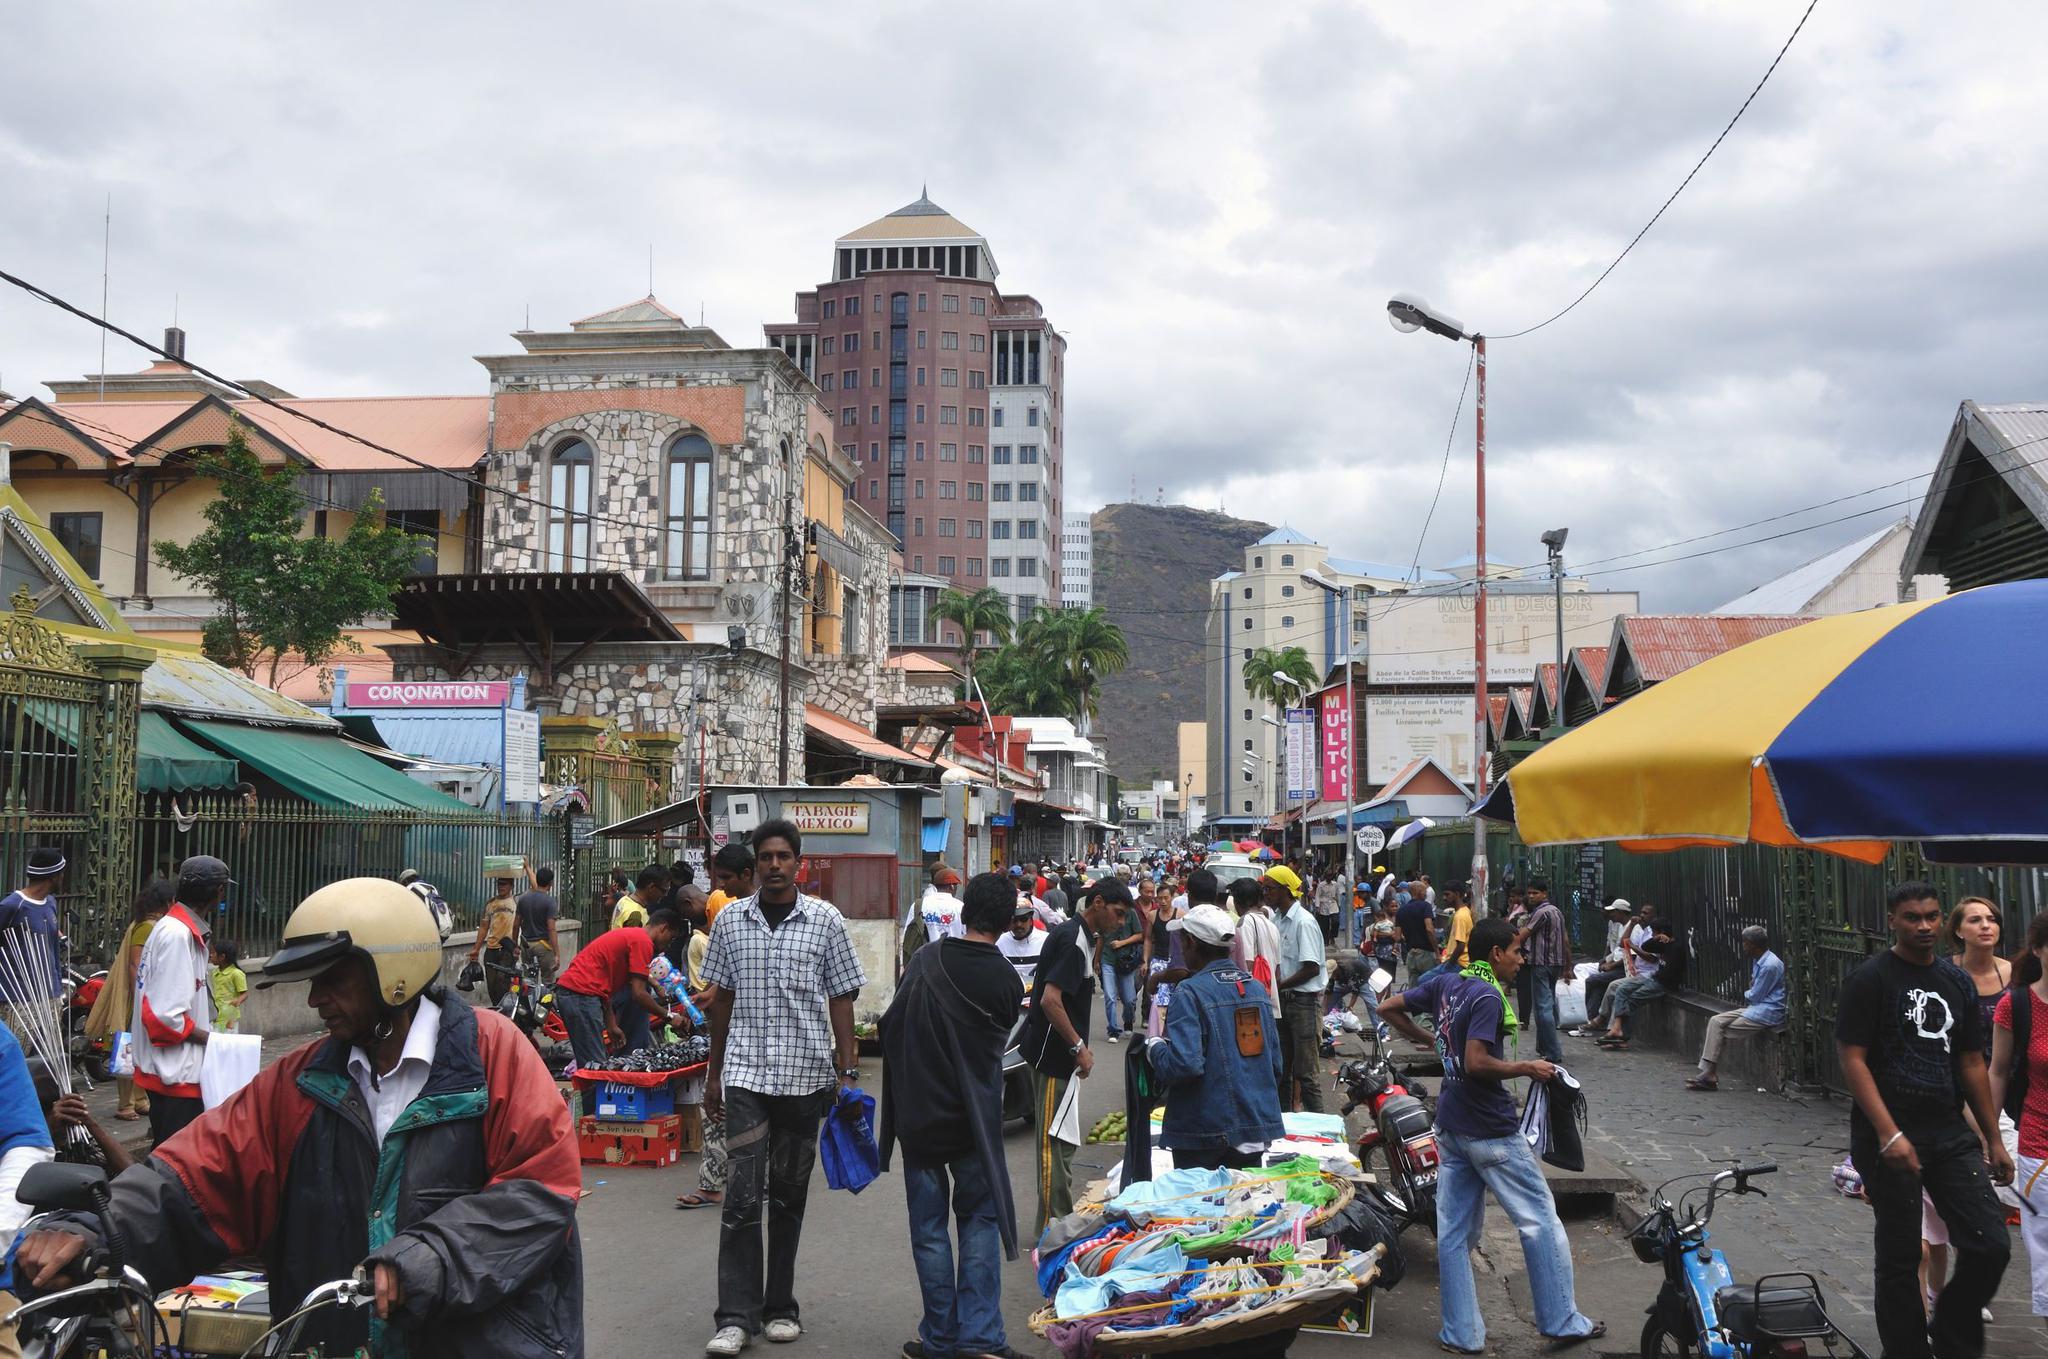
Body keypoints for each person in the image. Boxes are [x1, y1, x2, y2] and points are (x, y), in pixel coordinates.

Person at [11, 877, 584, 1358]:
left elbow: (540, 1192)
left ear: (394, 973)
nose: (315, 999)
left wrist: (430, 1255)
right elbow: (195, 1177)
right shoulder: (299, 1081)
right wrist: (97, 1230)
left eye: (332, 979)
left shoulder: (491, 1053)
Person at [1377, 917, 1605, 1353]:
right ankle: (1561, 1321)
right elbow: (1477, 1062)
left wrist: (1431, 1039)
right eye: (1517, 951)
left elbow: (1387, 1008)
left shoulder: (1449, 983)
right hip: (1490, 1130)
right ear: (1497, 953)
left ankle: (1461, 1334)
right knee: (1539, 1221)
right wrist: (1527, 1067)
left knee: (1454, 1234)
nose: (1521, 960)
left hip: (1451, 1126)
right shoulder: (1486, 995)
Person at [699, 819, 866, 1358]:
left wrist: (846, 1071)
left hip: (805, 1077)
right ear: (756, 864)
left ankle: (780, 1309)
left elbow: (842, 998)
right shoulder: (730, 921)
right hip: (746, 1075)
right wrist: (713, 1074)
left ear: (799, 863)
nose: (774, 865)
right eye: (766, 857)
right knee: (741, 1196)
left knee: (789, 1197)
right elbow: (721, 1001)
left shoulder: (825, 921)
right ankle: (734, 1318)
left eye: (783, 856)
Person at [1838, 881, 2012, 1359]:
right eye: (1912, 917)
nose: (1924, 926)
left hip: (1948, 1131)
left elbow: (1971, 1062)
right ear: (1892, 920)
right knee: (1900, 1257)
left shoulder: (1956, 981)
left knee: (1989, 1244)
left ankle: (1951, 1331)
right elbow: (1853, 1059)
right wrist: (1887, 1133)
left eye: (1932, 916)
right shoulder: (1869, 979)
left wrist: (1993, 1138)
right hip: (1887, 1136)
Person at [879, 871, 1026, 1359]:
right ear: (1004, 921)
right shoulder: (1006, 980)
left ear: (965, 912)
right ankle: (980, 1338)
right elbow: (994, 1047)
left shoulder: (925, 961)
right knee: (979, 1221)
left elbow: (891, 1026)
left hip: (920, 1119)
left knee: (929, 1232)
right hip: (975, 1124)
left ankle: (940, 1339)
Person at [1018, 879, 1127, 1234]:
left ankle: (1058, 1221)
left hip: (1059, 1057)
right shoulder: (1072, 941)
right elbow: (1051, 1001)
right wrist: (1079, 1047)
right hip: (1053, 1057)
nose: (1120, 922)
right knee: (1052, 1146)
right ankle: (1053, 1228)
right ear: (1098, 903)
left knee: (1061, 1143)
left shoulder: (1081, 936)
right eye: (1118, 914)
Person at [1146, 904, 1285, 1170]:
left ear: (1190, 943)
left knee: (1202, 1197)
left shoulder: (1189, 992)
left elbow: (1185, 1064)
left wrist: (1155, 1049)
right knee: (1244, 1196)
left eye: (1182, 942)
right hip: (1252, 1127)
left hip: (1203, 1131)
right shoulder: (1256, 990)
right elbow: (1274, 1064)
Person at [1925, 896, 2010, 1317]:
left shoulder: (2014, 974)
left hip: (2010, 1093)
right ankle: (1946, 1292)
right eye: (1975, 920)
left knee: (1996, 1200)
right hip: (1957, 1092)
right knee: (1959, 1199)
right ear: (1957, 930)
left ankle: (1970, 1284)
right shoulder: (1946, 976)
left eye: (1991, 918)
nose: (1986, 926)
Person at [675, 847, 757, 1216]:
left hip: (767, 1038)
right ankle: (711, 1185)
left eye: (724, 879)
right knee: (716, 1107)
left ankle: (760, 1184)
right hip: (733, 1033)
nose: (719, 887)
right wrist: (710, 995)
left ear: (746, 874)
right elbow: (725, 983)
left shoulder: (731, 909)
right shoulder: (728, 918)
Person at [134, 856, 226, 1148]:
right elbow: (165, 1018)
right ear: (219, 892)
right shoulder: (176, 935)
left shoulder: (176, 929)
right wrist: (218, 1042)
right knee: (176, 1159)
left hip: (174, 1070)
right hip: (175, 1073)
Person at [1992, 911, 2048, 1338]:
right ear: (2039, 949)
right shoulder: (2018, 1005)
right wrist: (1991, 1138)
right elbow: (1997, 1071)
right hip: (2040, 1149)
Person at [84, 880, 170, 1123]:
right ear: (165, 902)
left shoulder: (149, 925)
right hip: (137, 997)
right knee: (129, 1050)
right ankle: (125, 1105)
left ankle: (140, 1100)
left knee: (140, 1050)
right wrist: (139, 995)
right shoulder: (146, 927)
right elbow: (135, 964)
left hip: (143, 995)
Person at [553, 910, 682, 1069]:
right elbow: (639, 994)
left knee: (592, 1063)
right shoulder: (643, 942)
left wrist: (611, 1025)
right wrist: (668, 1016)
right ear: (664, 928)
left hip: (580, 993)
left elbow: (607, 986)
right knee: (594, 1066)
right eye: (671, 938)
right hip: (580, 994)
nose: (669, 945)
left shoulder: (634, 937)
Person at [1685, 926, 1786, 1092]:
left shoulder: (1770, 965)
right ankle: (1708, 1072)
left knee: (1721, 1031)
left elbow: (1755, 995)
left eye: (1745, 943)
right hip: (1756, 1008)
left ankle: (1710, 1073)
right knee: (1715, 1021)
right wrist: (1751, 989)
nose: (1743, 946)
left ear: (1753, 944)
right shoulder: (1759, 960)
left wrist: (1749, 991)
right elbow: (1754, 990)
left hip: (1768, 1011)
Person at [1267, 865, 1327, 1114]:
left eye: (1269, 889)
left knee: (1306, 1073)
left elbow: (1311, 968)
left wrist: (1279, 984)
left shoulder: (1304, 922)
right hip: (1283, 1002)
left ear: (1285, 890)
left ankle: (1320, 1126)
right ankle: (1284, 1122)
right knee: (1282, 1070)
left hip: (1303, 1003)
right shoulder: (1276, 920)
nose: (1266, 894)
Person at [1594, 914, 1686, 1053]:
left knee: (1631, 1001)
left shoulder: (1676, 948)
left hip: (1663, 984)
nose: (1652, 935)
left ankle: (1621, 1036)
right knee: (1622, 990)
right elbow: (1645, 946)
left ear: (1661, 931)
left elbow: (1670, 974)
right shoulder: (1663, 943)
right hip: (1655, 979)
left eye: (1654, 933)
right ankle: (1617, 1030)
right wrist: (1656, 938)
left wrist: (1654, 978)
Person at [0, 848, 66, 1041]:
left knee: (48, 1055)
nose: (63, 877)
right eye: (61, 873)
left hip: (50, 994)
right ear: (53, 877)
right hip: (19, 998)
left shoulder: (50, 902)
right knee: (17, 1053)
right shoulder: (13, 906)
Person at [1516, 877, 1571, 1064]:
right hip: (1556, 963)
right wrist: (1567, 965)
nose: (1531, 896)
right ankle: (1543, 1047)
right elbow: (1565, 940)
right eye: (1529, 893)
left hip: (1541, 963)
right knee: (1547, 1005)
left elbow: (1524, 934)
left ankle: (1553, 1052)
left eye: (1535, 893)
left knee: (1543, 1007)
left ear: (1544, 893)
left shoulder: (1541, 913)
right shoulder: (1557, 912)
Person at [1099, 886, 1146, 1043]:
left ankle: (1128, 1021)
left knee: (1130, 999)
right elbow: (1100, 938)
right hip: (1107, 959)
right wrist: (1096, 960)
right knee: (1110, 997)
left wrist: (1121, 943)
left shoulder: (1131, 913)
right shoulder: (1106, 912)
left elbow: (1139, 935)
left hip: (1126, 961)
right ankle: (1113, 1030)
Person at [1579, 900, 1635, 1026]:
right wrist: (1606, 960)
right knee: (1598, 986)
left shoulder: (1633, 929)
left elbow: (1631, 955)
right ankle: (1590, 1019)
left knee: (1591, 980)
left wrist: (1611, 965)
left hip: (1625, 969)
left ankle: (1586, 1016)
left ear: (1620, 912)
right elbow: (1617, 950)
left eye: (1613, 912)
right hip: (1616, 964)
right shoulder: (1621, 926)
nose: (1611, 915)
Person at [469, 876, 521, 1006]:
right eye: (499, 884)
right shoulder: (491, 904)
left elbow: (536, 888)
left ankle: (505, 1009)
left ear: (511, 886)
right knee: (492, 984)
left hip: (507, 950)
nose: (501, 887)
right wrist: (476, 949)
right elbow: (484, 927)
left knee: (502, 981)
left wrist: (527, 868)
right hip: (491, 949)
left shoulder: (516, 901)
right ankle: (497, 1008)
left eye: (504, 884)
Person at [1229, 874, 1282, 992]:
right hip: (1269, 996)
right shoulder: (1272, 925)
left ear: (1237, 902)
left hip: (1253, 995)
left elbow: (1246, 965)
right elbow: (1278, 973)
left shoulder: (1246, 922)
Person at [1418, 881, 1476, 986]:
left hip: (1459, 963)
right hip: (1458, 962)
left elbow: (1461, 945)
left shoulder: (1460, 916)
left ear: (1457, 894)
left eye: (1447, 894)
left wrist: (1449, 963)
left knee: (1422, 981)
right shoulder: (1463, 912)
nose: (1444, 898)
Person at [517, 866, 562, 982]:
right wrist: (556, 953)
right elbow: (551, 929)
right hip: (543, 945)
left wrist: (514, 945)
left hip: (526, 945)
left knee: (528, 980)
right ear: (550, 883)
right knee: (547, 981)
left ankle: (529, 994)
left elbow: (516, 924)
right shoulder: (550, 902)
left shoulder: (523, 899)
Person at [1395, 879, 1436, 986]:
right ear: (1419, 892)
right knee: (1429, 986)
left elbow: (1397, 937)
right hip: (1426, 954)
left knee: (1413, 988)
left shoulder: (1401, 910)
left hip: (1411, 955)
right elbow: (1429, 929)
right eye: (1424, 891)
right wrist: (1437, 951)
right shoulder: (1426, 906)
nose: (1426, 893)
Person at [917, 863, 968, 946]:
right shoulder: (960, 907)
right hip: (953, 952)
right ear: (952, 886)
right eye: (956, 885)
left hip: (925, 953)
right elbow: (967, 933)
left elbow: (909, 931)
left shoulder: (919, 905)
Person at [398, 867, 453, 942]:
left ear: (406, 881)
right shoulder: (431, 887)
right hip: (442, 928)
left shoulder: (410, 888)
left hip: (425, 929)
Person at [997, 901, 1046, 985]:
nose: (1019, 924)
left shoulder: (1045, 940)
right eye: (1015, 920)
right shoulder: (999, 942)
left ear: (1031, 921)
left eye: (1023, 919)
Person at [207, 941, 246, 1034]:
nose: (210, 955)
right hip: (217, 1015)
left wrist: (238, 1000)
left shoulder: (237, 974)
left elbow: (244, 993)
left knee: (229, 1040)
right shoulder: (215, 973)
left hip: (229, 1017)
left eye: (213, 953)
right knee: (217, 1039)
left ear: (222, 957)